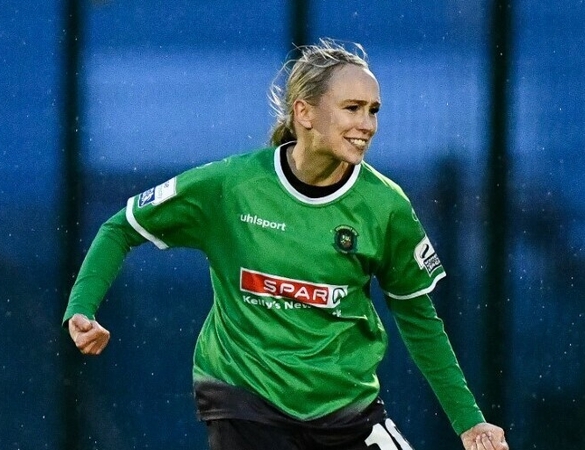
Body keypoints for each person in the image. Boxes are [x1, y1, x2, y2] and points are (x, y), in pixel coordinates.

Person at [63, 37, 509, 450]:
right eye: (352, 108)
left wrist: (469, 421)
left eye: (374, 110)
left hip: (346, 411)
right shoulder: (230, 187)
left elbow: (417, 315)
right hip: (245, 402)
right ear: (304, 112)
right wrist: (81, 307)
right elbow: (120, 227)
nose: (366, 124)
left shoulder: (385, 206)